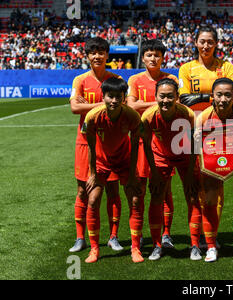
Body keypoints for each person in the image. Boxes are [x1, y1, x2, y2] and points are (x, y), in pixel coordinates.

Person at [178, 26, 233, 248]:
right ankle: (198, 232)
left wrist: (202, 98)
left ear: (216, 44)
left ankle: (210, 234)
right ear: (196, 43)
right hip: (194, 130)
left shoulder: (226, 67)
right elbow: (184, 99)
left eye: (210, 42)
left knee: (217, 183)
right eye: (202, 41)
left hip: (220, 131)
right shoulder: (186, 68)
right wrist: (213, 96)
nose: (206, 46)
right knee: (194, 185)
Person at [194, 78, 233, 262]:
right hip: (214, 160)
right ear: (212, 97)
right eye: (219, 95)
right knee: (209, 200)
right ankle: (211, 247)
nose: (223, 99)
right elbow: (198, 148)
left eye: (228, 95)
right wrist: (197, 138)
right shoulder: (204, 116)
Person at [69, 37, 124, 253]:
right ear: (87, 55)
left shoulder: (116, 78)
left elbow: (121, 105)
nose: (97, 56)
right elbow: (74, 108)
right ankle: (80, 237)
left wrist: (88, 106)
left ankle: (113, 236)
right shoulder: (80, 80)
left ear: (107, 55)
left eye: (101, 52)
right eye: (93, 52)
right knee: (83, 190)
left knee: (113, 189)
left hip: (111, 142)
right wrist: (102, 104)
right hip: (85, 142)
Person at [81, 77, 143, 263]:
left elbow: (135, 147)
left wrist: (132, 175)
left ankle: (135, 248)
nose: (114, 100)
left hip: (124, 160)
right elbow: (91, 145)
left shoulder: (132, 116)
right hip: (101, 162)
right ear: (103, 96)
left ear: (124, 98)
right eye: (110, 96)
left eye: (118, 96)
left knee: (134, 199)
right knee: (92, 199)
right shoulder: (92, 116)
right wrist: (92, 173)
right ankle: (94, 249)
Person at [140, 78, 202, 261]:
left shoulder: (188, 114)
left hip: (185, 157)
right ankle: (157, 245)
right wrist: (154, 172)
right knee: (157, 196)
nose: (165, 100)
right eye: (162, 96)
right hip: (160, 157)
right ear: (155, 97)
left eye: (170, 96)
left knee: (192, 196)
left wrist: (190, 173)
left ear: (177, 97)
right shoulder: (148, 116)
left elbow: (194, 146)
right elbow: (146, 145)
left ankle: (195, 246)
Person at [127, 39, 178, 249]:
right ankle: (137, 236)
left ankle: (166, 234)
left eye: (157, 55)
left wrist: (144, 105)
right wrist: (160, 104)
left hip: (165, 142)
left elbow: (177, 104)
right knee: (138, 191)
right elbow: (131, 105)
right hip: (140, 142)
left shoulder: (171, 78)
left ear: (163, 57)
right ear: (143, 57)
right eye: (149, 54)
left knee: (164, 190)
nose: (153, 58)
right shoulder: (135, 79)